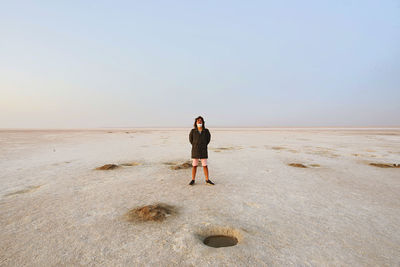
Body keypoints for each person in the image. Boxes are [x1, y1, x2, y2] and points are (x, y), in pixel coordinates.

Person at [188, 116, 215, 185]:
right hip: (195, 150)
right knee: (194, 165)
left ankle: (207, 180)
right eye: (198, 121)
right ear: (196, 122)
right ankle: (193, 180)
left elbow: (208, 140)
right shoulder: (193, 131)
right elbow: (191, 140)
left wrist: (203, 145)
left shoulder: (206, 131)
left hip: (203, 150)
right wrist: (195, 145)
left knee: (205, 165)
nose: (199, 122)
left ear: (203, 122)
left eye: (201, 121)